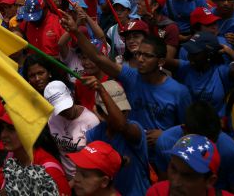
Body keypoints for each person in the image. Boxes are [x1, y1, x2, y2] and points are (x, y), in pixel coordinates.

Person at [61, 12, 191, 147]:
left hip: (162, 153)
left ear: (161, 62)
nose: (140, 59)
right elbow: (98, 58)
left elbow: (189, 131)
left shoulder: (179, 92)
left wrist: (166, 136)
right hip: (131, 148)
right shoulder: (131, 76)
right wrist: (76, 31)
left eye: (147, 56)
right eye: (139, 54)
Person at [154, 101, 234, 195]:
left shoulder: (231, 152)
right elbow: (164, 186)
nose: (205, 147)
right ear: (185, 130)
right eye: (173, 168)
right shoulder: (165, 142)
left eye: (210, 141)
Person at [83, 78, 150, 196]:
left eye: (123, 110)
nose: (121, 114)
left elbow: (121, 126)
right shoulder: (94, 135)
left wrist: (101, 90)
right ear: (101, 113)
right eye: (114, 111)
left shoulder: (135, 129)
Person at [0, 112, 71, 196]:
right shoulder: (11, 158)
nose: (3, 134)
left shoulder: (49, 171)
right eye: (2, 128)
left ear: (29, 131)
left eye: (11, 128)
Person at [171, 31, 234, 114]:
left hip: (218, 121)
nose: (189, 57)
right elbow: (162, 60)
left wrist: (229, 51)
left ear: (209, 55)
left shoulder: (221, 72)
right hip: (192, 120)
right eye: (189, 52)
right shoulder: (186, 67)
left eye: (195, 53)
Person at [44, 80, 100, 179]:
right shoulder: (52, 119)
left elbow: (96, 157)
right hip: (65, 175)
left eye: (67, 106)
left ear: (72, 96)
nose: (65, 112)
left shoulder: (91, 122)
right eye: (60, 110)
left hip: (84, 178)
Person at [146, 134, 232, 196]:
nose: (175, 182)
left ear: (210, 181)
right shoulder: (157, 192)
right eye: (173, 168)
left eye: (187, 176)